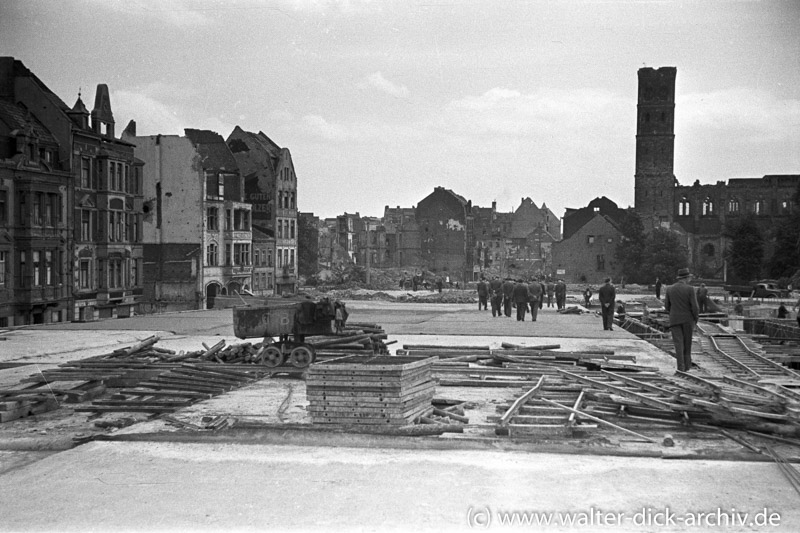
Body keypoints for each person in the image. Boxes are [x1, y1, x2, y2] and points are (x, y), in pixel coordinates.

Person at [664, 268, 700, 372]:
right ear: (687, 278)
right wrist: (695, 318)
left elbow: (666, 306)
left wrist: (674, 312)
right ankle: (687, 368)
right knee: (687, 344)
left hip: (674, 319)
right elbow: (695, 307)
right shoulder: (690, 289)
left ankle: (680, 368)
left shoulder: (669, 289)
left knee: (678, 344)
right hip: (688, 320)